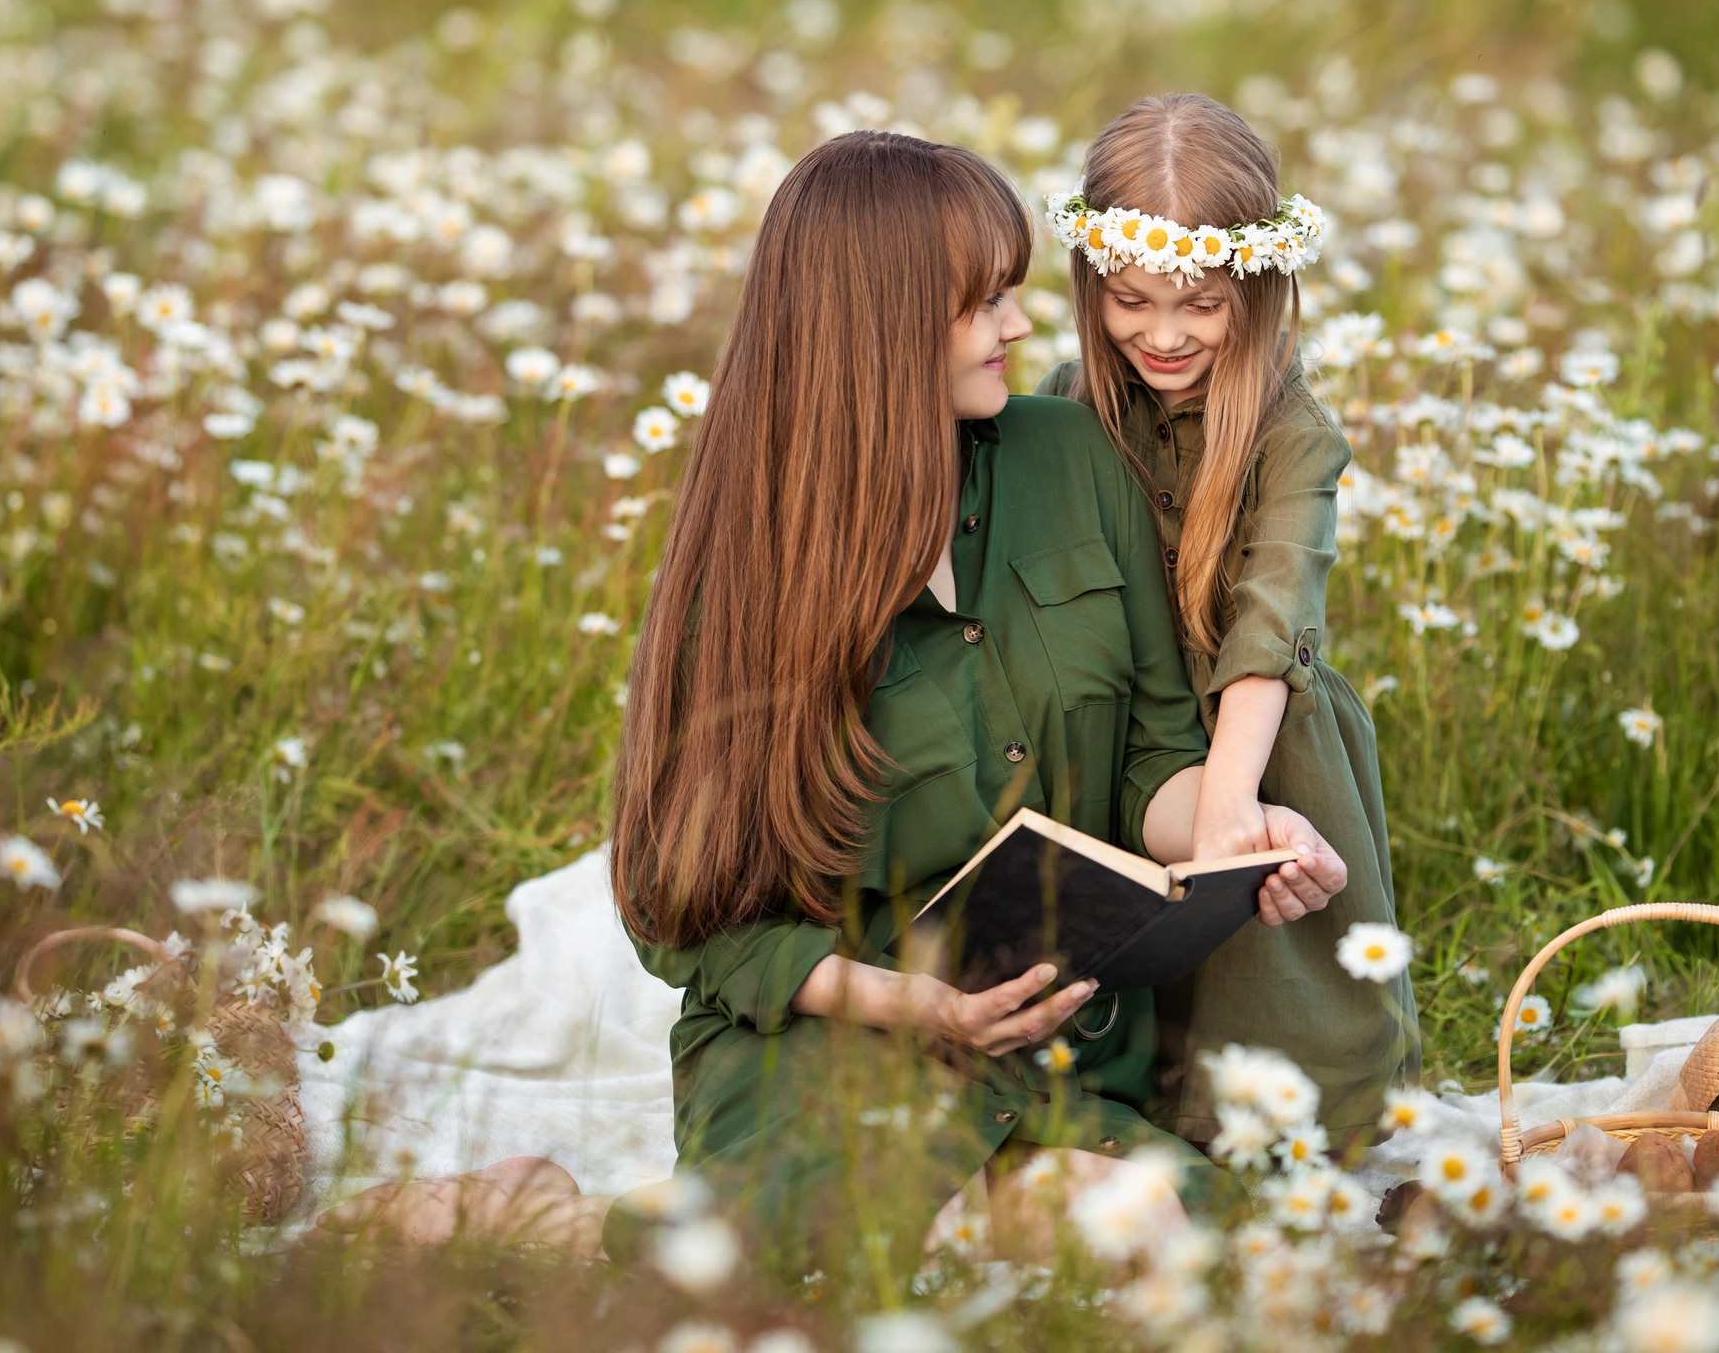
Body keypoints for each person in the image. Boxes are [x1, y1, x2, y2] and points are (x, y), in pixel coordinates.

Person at [318, 130, 1349, 1266]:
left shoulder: (1074, 458)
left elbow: (1158, 761)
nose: (1019, 326)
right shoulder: (752, 572)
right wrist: (921, 1009)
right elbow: (679, 912)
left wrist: (1238, 833)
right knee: (827, 1257)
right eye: (985, 303)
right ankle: (533, 1219)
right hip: (831, 1046)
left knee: (1179, 1243)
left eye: (1014, 293)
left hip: (1051, 1053)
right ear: (886, 326)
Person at [1034, 94, 1419, 1152]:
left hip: (1259, 733)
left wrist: (1231, 804)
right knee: (1109, 985)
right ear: (1091, 286)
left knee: (1267, 1017)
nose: (1162, 334)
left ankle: (1279, 1107)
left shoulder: (1294, 436)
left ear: (1259, 288)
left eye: (1200, 306)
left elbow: (1270, 622)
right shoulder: (1068, 405)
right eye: (1131, 300)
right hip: (1110, 720)